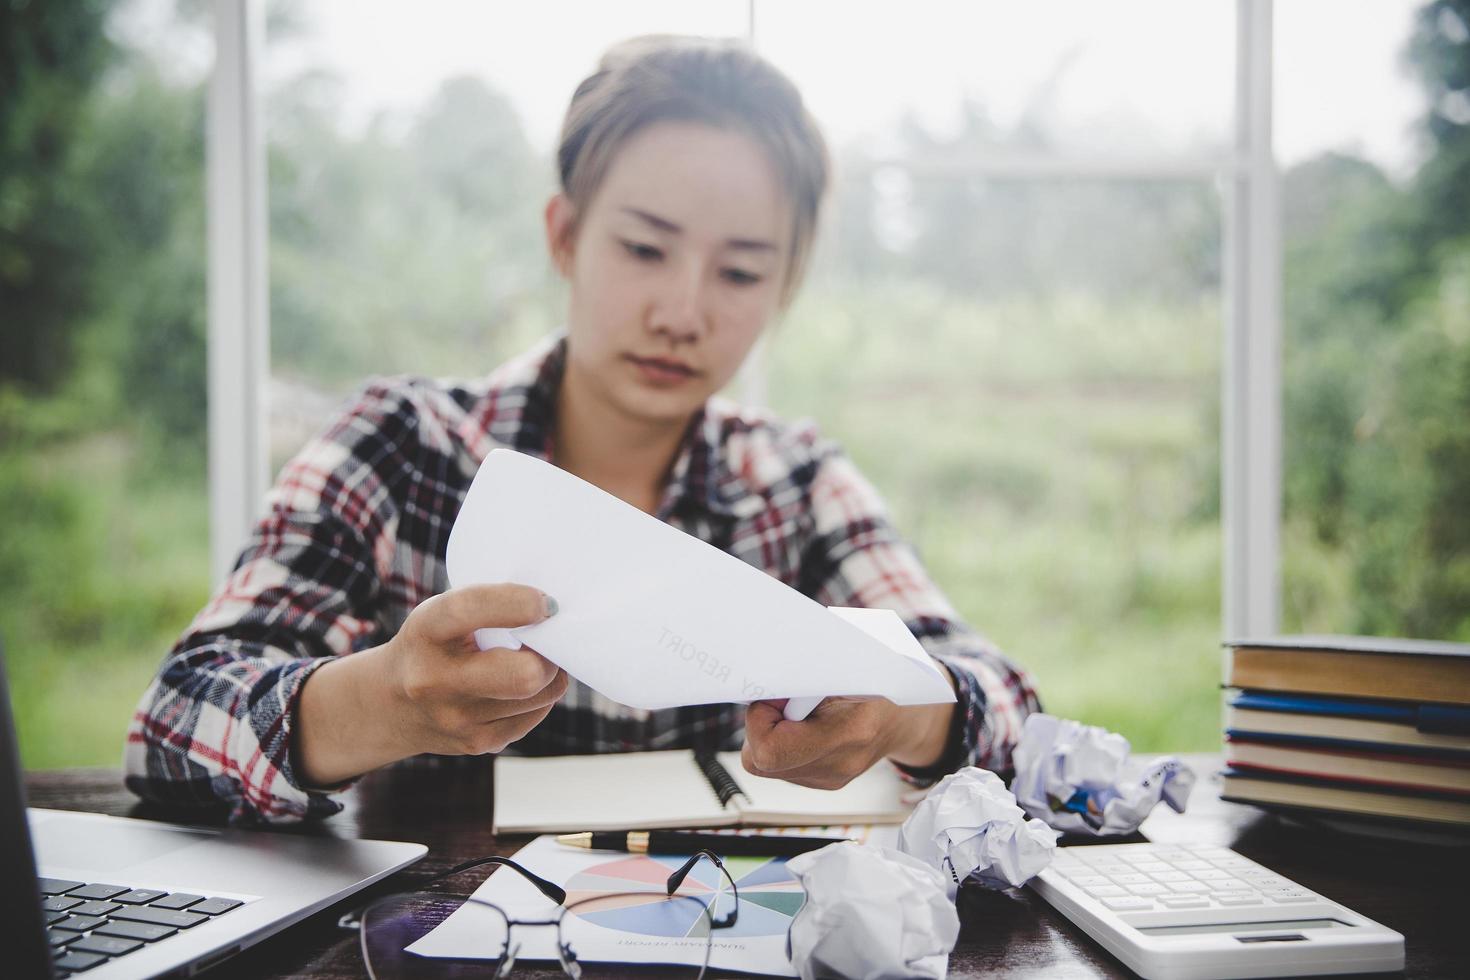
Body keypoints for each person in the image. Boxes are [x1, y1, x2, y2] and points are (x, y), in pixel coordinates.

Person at [125, 35, 1040, 825]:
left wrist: (909, 718)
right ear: (564, 235)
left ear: (785, 285)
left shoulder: (796, 483)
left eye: (742, 271)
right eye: (644, 249)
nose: (682, 312)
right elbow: (170, 724)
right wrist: (381, 703)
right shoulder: (405, 446)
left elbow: (1012, 716)